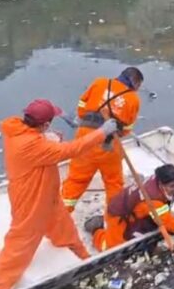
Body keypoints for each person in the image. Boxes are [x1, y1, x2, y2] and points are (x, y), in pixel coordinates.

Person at [0, 99, 118, 289]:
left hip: (48, 196)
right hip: (32, 201)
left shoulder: (18, 130)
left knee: (66, 230)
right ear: (44, 124)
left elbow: (43, 145)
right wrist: (102, 133)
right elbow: (71, 150)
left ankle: (84, 261)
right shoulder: (30, 145)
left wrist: (47, 138)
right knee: (18, 247)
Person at [86, 164, 174, 252]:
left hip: (140, 212)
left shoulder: (169, 183)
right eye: (172, 186)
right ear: (161, 184)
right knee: (111, 247)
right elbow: (168, 221)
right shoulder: (153, 200)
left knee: (151, 223)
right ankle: (96, 229)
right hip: (118, 214)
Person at [61, 67, 143, 212]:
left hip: (85, 140)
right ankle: (113, 217)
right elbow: (126, 129)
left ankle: (61, 213)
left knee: (76, 180)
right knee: (113, 183)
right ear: (135, 83)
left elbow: (81, 107)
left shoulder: (100, 83)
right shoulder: (133, 99)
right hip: (109, 145)